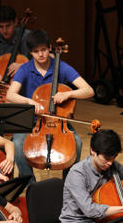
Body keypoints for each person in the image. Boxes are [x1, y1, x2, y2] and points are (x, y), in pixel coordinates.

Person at [7, 29, 93, 184]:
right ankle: (30, 185)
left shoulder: (62, 66)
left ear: (50, 48)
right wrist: (29, 102)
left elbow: (89, 90)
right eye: (35, 51)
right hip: (32, 120)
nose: (40, 55)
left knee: (77, 144)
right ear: (30, 52)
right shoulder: (25, 69)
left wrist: (68, 94)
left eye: (43, 50)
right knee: (18, 144)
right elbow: (10, 95)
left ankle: (68, 184)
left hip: (58, 120)